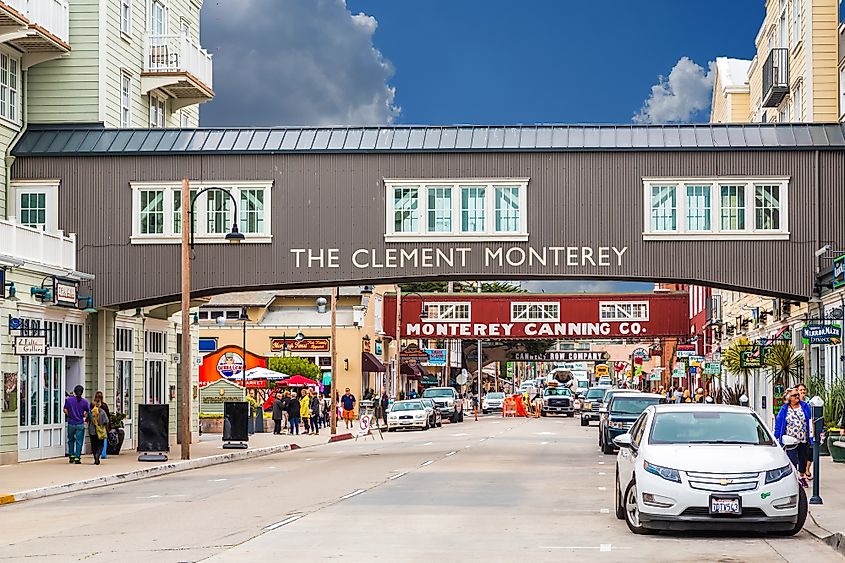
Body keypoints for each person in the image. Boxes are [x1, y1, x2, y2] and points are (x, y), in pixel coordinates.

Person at [775, 387, 813, 487]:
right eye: (794, 395)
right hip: (790, 440)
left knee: (803, 459)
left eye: (798, 395)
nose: (797, 396)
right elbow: (779, 424)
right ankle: (794, 479)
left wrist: (812, 436)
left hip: (803, 439)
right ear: (789, 398)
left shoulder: (805, 406)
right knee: (792, 459)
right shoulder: (784, 409)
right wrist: (776, 437)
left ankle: (802, 476)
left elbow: (810, 420)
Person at [63, 385, 89, 464]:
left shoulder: (69, 400)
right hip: (80, 423)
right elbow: (87, 412)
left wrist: (70, 414)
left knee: (70, 440)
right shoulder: (85, 402)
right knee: (79, 441)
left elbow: (65, 410)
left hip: (71, 423)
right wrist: (84, 415)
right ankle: (77, 457)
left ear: (74, 391)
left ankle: (71, 456)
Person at [796, 383, 813, 479]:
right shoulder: (794, 403)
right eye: (801, 390)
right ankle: (802, 473)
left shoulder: (809, 403)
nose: (803, 391)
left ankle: (807, 469)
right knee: (801, 455)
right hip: (797, 435)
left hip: (808, 432)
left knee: (811, 452)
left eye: (804, 390)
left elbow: (811, 417)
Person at [88, 396, 109, 465]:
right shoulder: (102, 412)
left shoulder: (91, 412)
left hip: (92, 431)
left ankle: (95, 456)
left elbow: (88, 420)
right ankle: (98, 455)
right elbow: (106, 421)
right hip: (100, 431)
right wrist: (106, 430)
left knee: (94, 445)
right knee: (100, 445)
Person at [93, 391, 111, 459]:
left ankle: (97, 453)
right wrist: (108, 426)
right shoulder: (104, 405)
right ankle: (103, 453)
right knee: (103, 439)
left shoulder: (92, 406)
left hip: (94, 426)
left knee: (95, 440)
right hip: (102, 426)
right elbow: (107, 417)